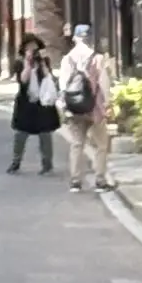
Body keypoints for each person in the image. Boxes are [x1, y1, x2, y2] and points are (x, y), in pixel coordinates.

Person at [57, 21, 113, 193]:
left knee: (76, 144)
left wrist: (64, 106)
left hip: (74, 108)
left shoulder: (68, 59)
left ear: (75, 38)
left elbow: (63, 85)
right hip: (94, 108)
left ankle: (75, 181)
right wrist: (108, 103)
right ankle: (100, 180)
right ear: (89, 38)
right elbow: (104, 84)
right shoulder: (97, 58)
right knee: (101, 145)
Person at [11, 32, 61, 175]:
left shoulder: (44, 61)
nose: (33, 52)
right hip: (26, 104)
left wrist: (44, 66)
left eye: (35, 49)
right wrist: (27, 64)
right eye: (29, 48)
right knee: (20, 134)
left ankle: (47, 164)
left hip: (42, 103)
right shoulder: (19, 62)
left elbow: (50, 79)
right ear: (24, 49)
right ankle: (16, 162)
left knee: (45, 135)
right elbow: (23, 80)